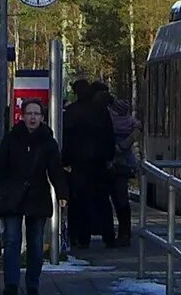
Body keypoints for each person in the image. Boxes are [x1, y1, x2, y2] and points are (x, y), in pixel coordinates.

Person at [0, 97, 58, 295]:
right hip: (12, 197)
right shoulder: (11, 139)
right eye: (29, 113)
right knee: (11, 240)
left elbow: (54, 169)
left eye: (36, 114)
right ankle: (11, 284)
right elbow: (0, 168)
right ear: (22, 116)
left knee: (36, 244)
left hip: (37, 197)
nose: (33, 117)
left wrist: (62, 193)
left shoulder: (48, 141)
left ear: (42, 117)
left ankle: (32, 284)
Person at [59, 80, 118, 250]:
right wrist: (109, 157)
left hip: (78, 164)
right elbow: (109, 136)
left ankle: (80, 237)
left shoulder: (71, 112)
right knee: (102, 201)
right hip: (99, 163)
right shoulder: (101, 112)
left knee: (79, 202)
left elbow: (67, 139)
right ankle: (108, 236)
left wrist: (66, 161)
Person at [105, 85, 142, 247]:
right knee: (121, 200)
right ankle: (124, 232)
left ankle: (117, 233)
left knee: (114, 199)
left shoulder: (109, 122)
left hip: (112, 164)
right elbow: (138, 130)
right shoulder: (132, 124)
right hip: (125, 165)